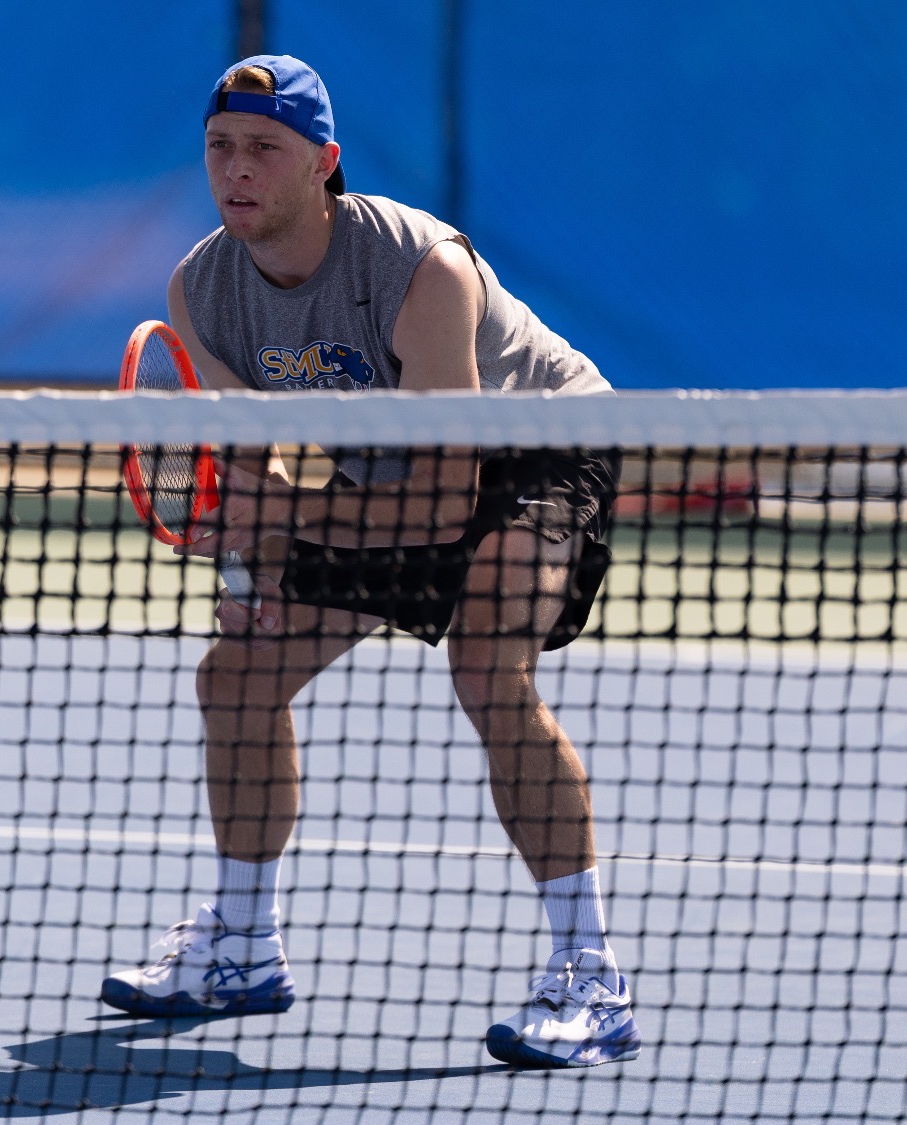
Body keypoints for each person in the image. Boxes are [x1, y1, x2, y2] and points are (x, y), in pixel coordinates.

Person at [99, 55, 639, 1070]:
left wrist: (286, 516)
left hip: (538, 448)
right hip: (391, 467)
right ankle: (242, 946)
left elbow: (442, 505)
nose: (236, 169)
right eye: (220, 147)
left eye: (265, 149)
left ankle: (590, 976)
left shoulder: (419, 268)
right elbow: (248, 458)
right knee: (236, 676)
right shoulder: (201, 287)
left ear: (324, 164)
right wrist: (250, 573)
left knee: (486, 667)